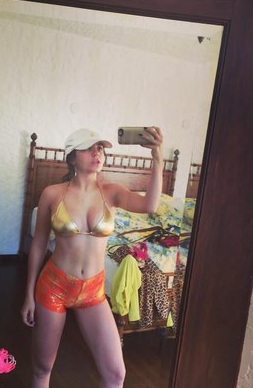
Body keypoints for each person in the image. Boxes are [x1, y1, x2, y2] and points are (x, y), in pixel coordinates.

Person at [21, 127, 164, 388]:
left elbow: (150, 205)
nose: (97, 152)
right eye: (88, 148)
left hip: (93, 291)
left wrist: (157, 158)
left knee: (116, 374)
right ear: (72, 157)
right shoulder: (52, 193)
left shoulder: (111, 192)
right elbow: (39, 244)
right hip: (54, 286)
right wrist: (28, 294)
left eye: (100, 148)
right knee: (42, 368)